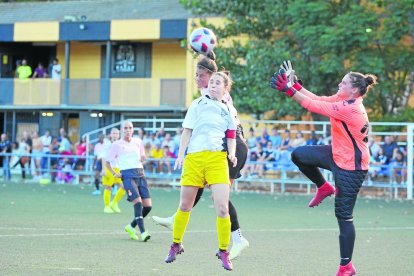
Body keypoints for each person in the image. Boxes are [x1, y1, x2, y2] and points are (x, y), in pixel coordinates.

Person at [270, 60, 377, 276]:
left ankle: (346, 266)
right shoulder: (343, 99)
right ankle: (324, 186)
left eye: (343, 82)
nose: (339, 83)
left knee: (343, 215)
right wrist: (295, 86)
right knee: (299, 155)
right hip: (336, 154)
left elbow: (314, 106)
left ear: (354, 89)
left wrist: (289, 90)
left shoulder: (351, 108)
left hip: (352, 168)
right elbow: (317, 99)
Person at [153, 55, 249, 261]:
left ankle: (238, 238)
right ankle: (178, 218)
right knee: (204, 193)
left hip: (231, 144)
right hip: (216, 147)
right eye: (195, 75)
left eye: (200, 75)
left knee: (219, 198)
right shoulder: (204, 97)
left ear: (210, 75)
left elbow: (228, 130)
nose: (196, 78)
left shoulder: (219, 96)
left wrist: (209, 58)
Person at [163, 70, 237, 271]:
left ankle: (223, 251)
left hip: (217, 159)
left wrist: (232, 153)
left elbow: (231, 135)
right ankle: (176, 244)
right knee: (185, 206)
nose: (212, 85)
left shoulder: (229, 109)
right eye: (211, 82)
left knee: (222, 207)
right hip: (194, 158)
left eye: (217, 83)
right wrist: (180, 154)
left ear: (225, 88)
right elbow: (187, 130)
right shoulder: (197, 104)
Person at [105, 121, 152, 242]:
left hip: (140, 174)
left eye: (130, 128)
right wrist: (115, 173)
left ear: (133, 129)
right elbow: (107, 161)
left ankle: (131, 227)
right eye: (125, 128)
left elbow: (142, 157)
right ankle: (143, 232)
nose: (128, 130)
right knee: (138, 203)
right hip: (127, 175)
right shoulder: (117, 144)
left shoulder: (138, 142)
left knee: (148, 206)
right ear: (121, 130)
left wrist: (143, 158)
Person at [101, 128, 126, 214]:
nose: (115, 135)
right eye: (113, 133)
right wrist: (103, 169)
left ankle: (114, 203)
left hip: (118, 168)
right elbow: (103, 157)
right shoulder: (107, 144)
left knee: (124, 186)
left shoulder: (121, 144)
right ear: (110, 135)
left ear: (119, 135)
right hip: (109, 167)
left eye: (116, 134)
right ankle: (107, 206)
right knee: (108, 186)